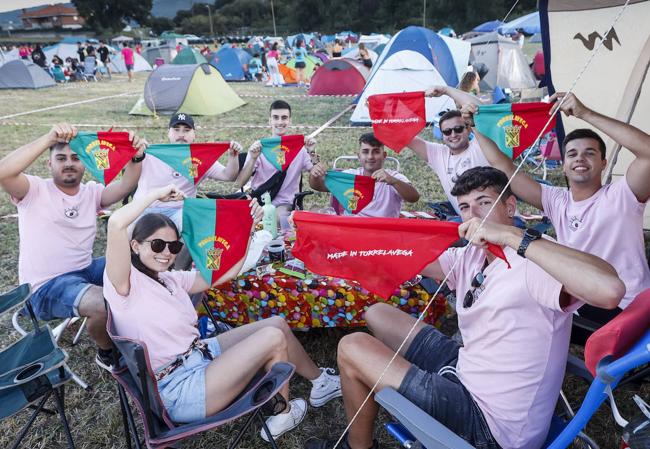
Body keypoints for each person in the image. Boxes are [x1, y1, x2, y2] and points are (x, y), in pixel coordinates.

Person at [306, 166, 624, 449]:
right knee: (377, 314)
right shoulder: (472, 255)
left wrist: (513, 236)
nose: (474, 216)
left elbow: (610, 290)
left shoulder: (535, 263)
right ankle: (416, 385)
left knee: (351, 346)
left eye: (484, 203)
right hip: (466, 369)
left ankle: (356, 445)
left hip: (491, 425)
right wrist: (330, 237)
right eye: (465, 208)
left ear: (510, 207)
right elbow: (400, 253)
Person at [104, 185, 342, 438]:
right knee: (273, 339)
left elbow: (222, 274)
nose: (166, 254)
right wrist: (156, 194)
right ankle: (281, 415)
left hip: (198, 356)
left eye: (173, 248)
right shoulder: (123, 285)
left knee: (276, 325)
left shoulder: (169, 279)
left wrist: (247, 229)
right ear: (135, 246)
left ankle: (321, 383)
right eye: (158, 244)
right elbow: (116, 223)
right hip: (181, 390)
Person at [462, 92, 650, 337]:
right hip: (579, 300)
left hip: (627, 306)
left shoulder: (624, 194)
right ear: (563, 165)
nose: (580, 158)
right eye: (572, 154)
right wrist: (475, 128)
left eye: (590, 153)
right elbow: (503, 166)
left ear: (604, 163)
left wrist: (585, 113)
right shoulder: (555, 199)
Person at [0, 123, 147, 369]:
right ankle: (107, 353)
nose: (69, 163)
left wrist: (136, 156)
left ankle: (144, 328)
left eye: (75, 158)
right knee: (103, 303)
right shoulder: (34, 190)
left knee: (141, 261)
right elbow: (4, 172)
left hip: (85, 270)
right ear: (50, 164)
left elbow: (126, 185)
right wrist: (48, 139)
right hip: (46, 286)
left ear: (85, 164)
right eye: (61, 158)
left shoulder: (91, 192)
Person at [133, 112, 242, 232]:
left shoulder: (200, 157)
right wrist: (135, 150)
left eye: (186, 130)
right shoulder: (149, 152)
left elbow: (229, 176)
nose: (181, 134)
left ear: (194, 134)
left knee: (195, 229)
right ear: (168, 133)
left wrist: (233, 156)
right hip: (145, 208)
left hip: (180, 211)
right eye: (176, 129)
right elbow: (126, 174)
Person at [405, 86, 491, 216]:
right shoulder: (439, 154)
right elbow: (402, 135)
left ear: (468, 129)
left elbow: (483, 111)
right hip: (468, 225)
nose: (453, 134)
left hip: (500, 222)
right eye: (447, 131)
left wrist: (446, 90)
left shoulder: (480, 146)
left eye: (458, 129)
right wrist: (378, 110)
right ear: (442, 135)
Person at [236, 100, 318, 225]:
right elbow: (240, 182)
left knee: (275, 219)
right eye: (275, 117)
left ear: (290, 120)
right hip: (259, 201)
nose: (280, 122)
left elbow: (317, 173)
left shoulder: (299, 149)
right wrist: (252, 158)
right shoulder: (259, 147)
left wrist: (312, 152)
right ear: (270, 120)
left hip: (285, 204)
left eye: (284, 118)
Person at [309, 133, 419, 217]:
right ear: (359, 156)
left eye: (376, 151)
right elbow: (318, 186)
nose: (370, 157)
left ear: (384, 155)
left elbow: (414, 197)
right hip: (351, 232)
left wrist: (394, 181)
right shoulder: (351, 176)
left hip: (384, 235)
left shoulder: (393, 176)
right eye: (365, 152)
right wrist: (314, 175)